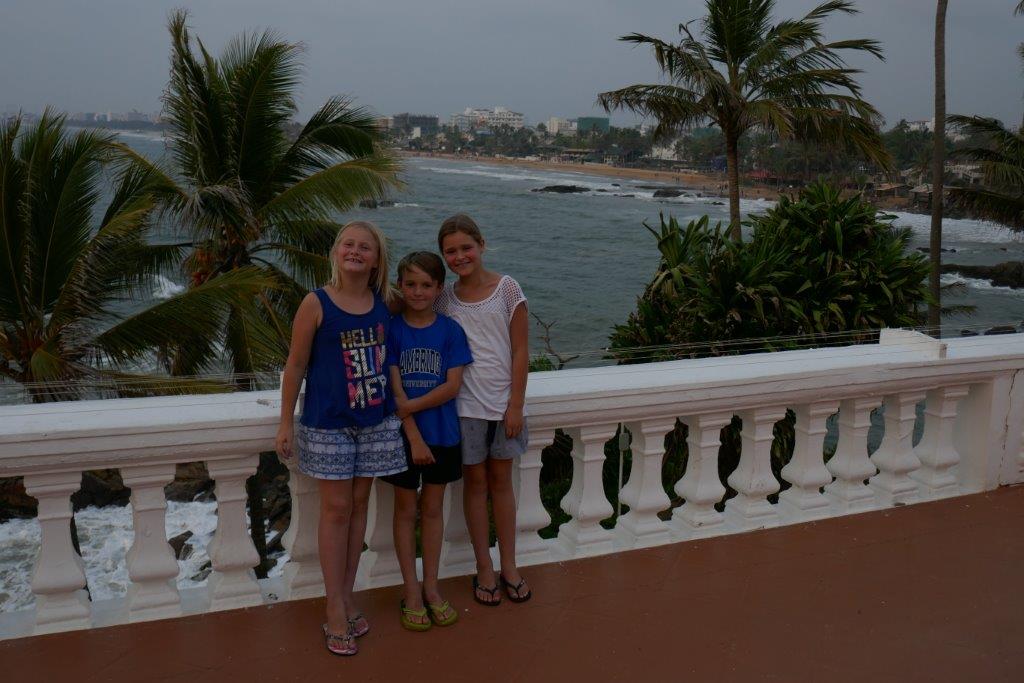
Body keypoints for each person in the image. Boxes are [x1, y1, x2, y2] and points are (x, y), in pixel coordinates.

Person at [275, 220, 406, 656]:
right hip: (328, 422)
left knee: (359, 507)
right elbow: (295, 365)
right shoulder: (316, 303)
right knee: (336, 510)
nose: (355, 251)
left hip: (376, 420)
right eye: (348, 244)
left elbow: (427, 300)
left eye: (365, 247)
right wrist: (285, 422)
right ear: (336, 252)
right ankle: (334, 605)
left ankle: (347, 596)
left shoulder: (385, 302)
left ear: (376, 259)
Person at [435, 213, 532, 606]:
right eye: (451, 251)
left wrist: (516, 405)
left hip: (503, 405)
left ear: (481, 245)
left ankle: (509, 565)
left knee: (502, 485)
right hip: (465, 408)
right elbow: (413, 311)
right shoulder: (444, 298)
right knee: (474, 486)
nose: (459, 256)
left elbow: (521, 350)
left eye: (466, 247)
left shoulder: (507, 289)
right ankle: (484, 567)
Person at [382, 251, 473, 631]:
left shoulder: (451, 331)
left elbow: (452, 386)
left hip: (443, 433)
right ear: (400, 286)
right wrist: (413, 435)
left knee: (433, 510)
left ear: (439, 288)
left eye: (426, 285)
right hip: (404, 438)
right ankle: (411, 591)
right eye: (410, 284)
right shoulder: (391, 330)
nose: (417, 292)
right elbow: (393, 390)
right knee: (405, 511)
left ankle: (432, 587)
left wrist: (412, 408)